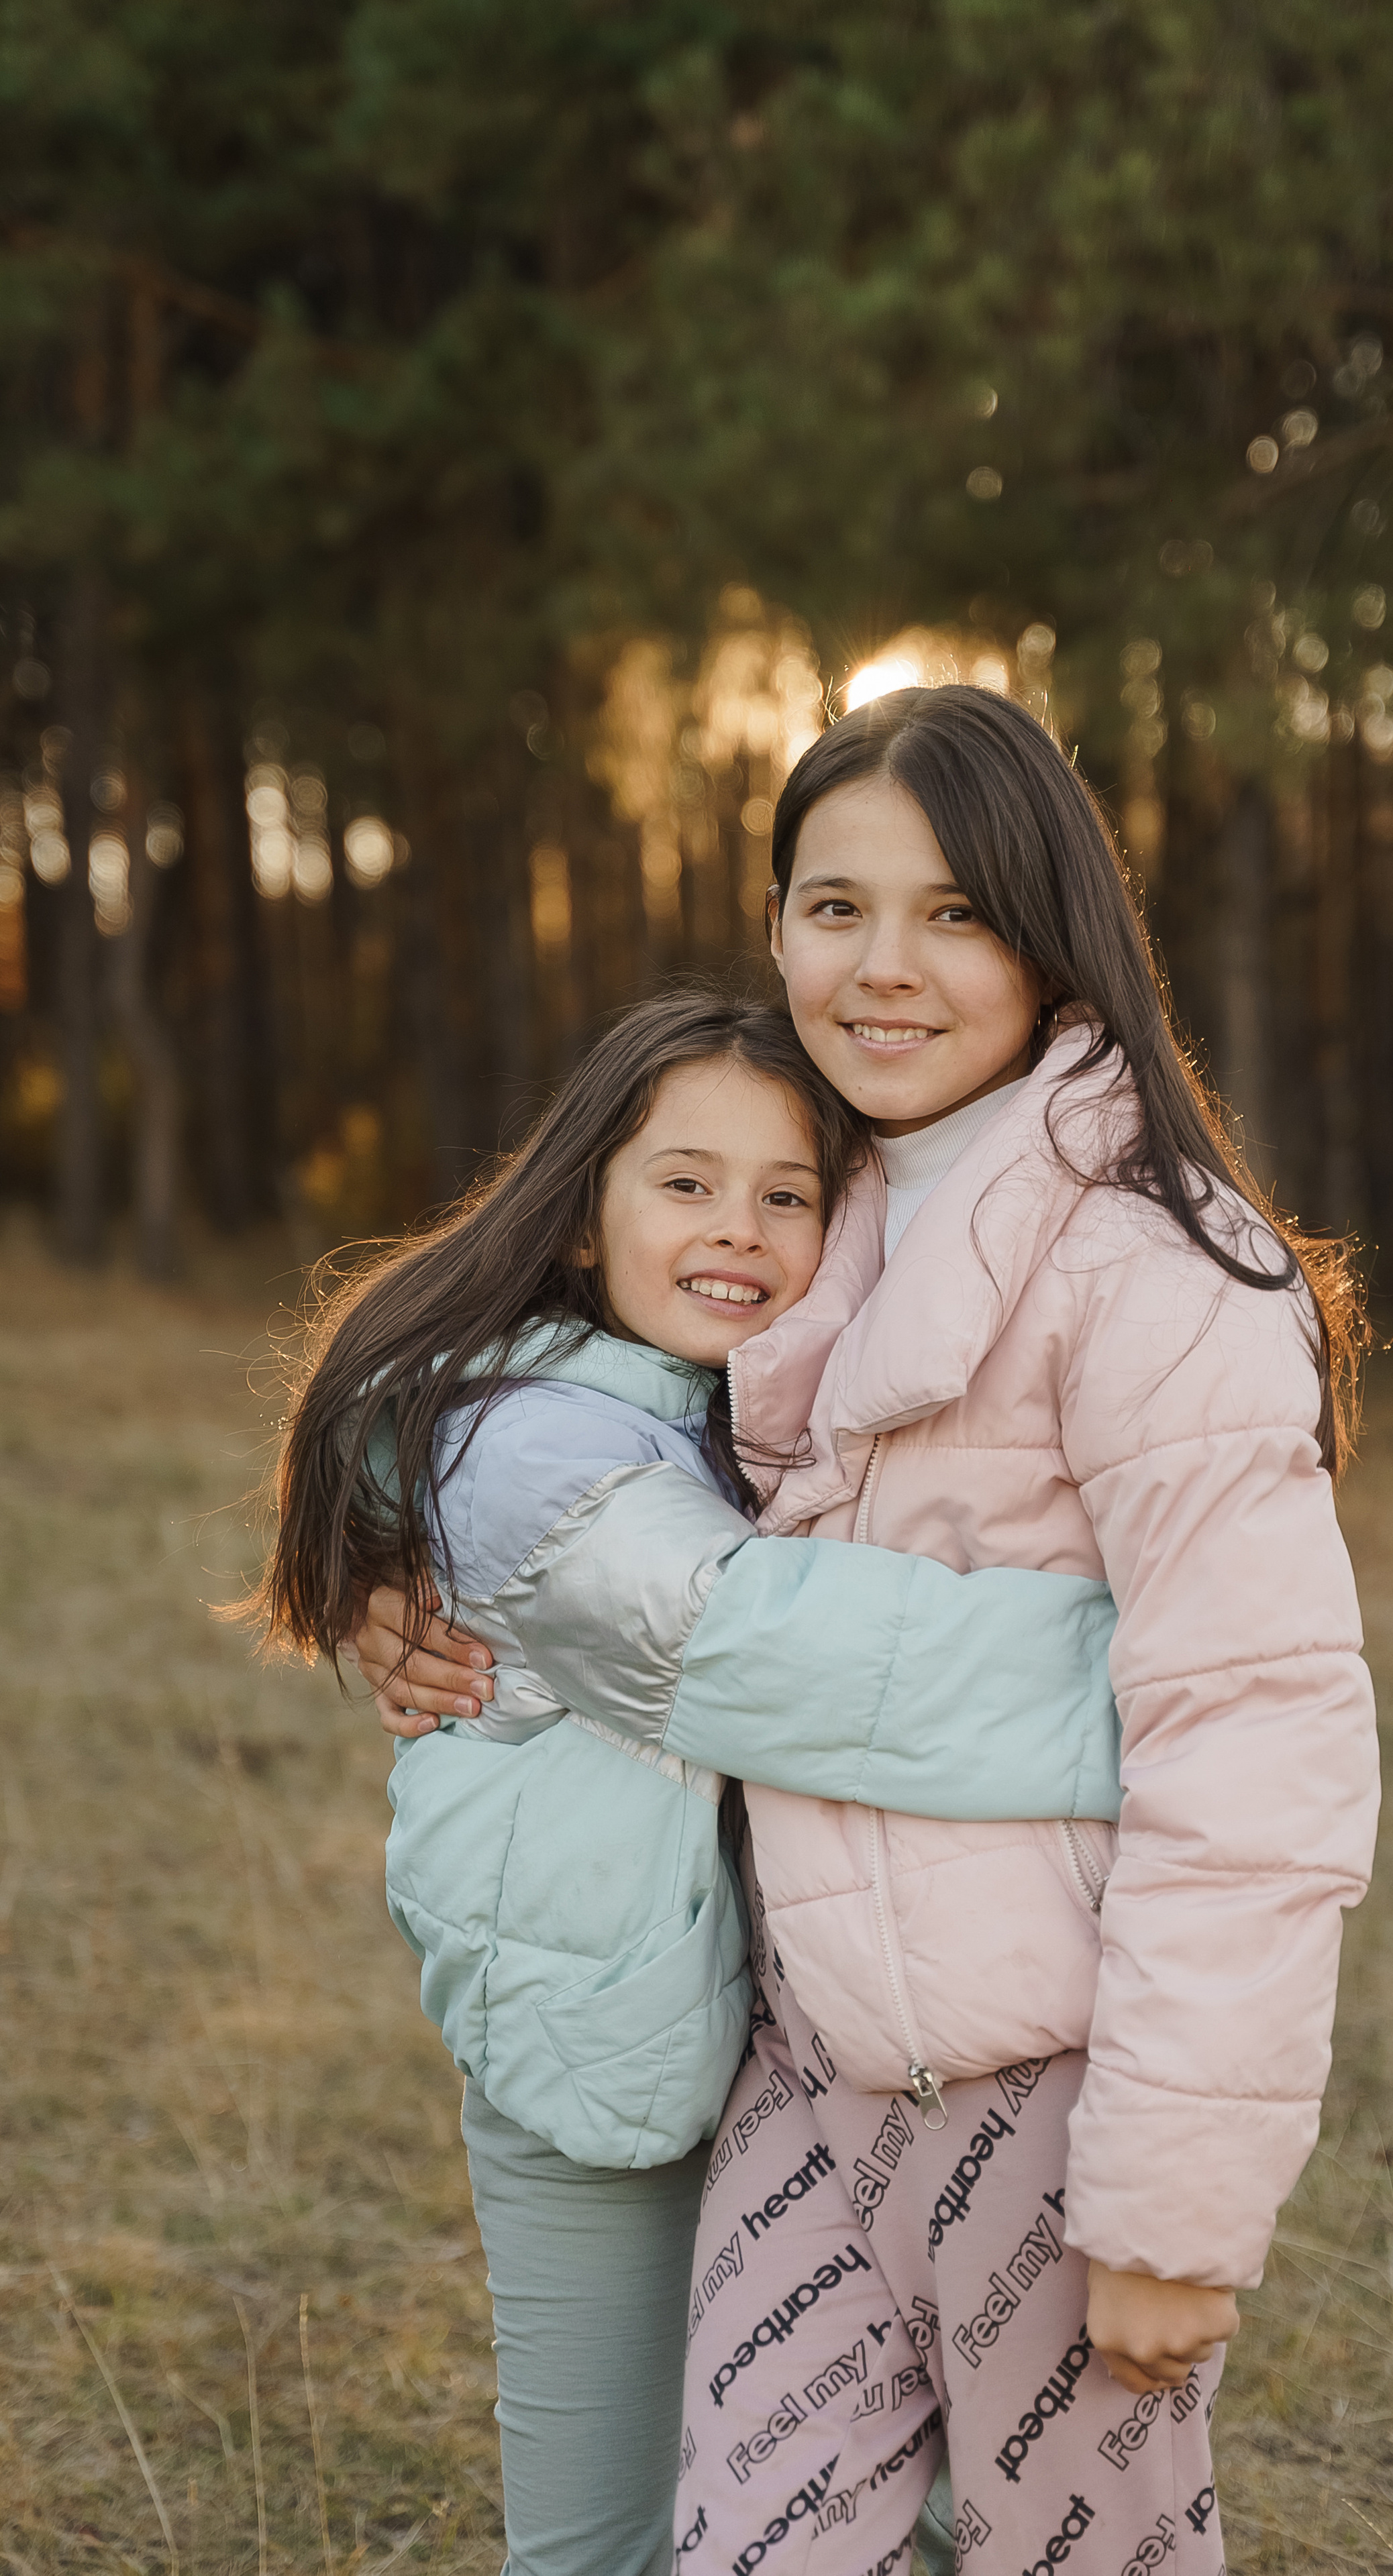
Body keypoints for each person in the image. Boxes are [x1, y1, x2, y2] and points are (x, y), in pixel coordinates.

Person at [361, 686, 1380, 2573]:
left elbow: (1252, 1730)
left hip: (1050, 2088)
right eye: (835, 908)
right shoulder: (824, 1204)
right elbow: (600, 1459)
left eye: (956, 915)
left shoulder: (1156, 1266)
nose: (884, 968)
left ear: (1055, 934)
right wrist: (415, 1569)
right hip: (806, 2063)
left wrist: (1173, 2199)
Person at [265, 990, 1126, 2576]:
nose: (737, 1229)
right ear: (582, 1216)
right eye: (683, 1183)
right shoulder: (521, 1443)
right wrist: (1161, 1672)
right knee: (604, 2541)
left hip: (781, 2051)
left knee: (861, 2505)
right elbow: (757, 1651)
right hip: (598, 2068)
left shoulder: (752, 1424)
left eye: (786, 1194)